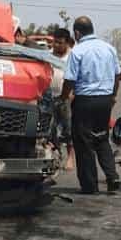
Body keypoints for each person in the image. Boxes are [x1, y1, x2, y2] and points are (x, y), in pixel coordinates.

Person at [60, 16, 121, 194]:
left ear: (77, 33)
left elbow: (70, 79)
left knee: (84, 143)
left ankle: (90, 185)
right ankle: (112, 176)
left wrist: (64, 97)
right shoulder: (109, 48)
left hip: (85, 101)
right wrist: (113, 95)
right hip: (105, 100)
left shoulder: (78, 51)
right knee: (102, 138)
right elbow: (118, 75)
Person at [49, 28, 75, 171]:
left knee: (69, 129)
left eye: (60, 43)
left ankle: (71, 156)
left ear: (67, 43)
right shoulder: (48, 55)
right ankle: (57, 154)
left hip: (67, 98)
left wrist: (73, 94)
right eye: (55, 42)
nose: (56, 45)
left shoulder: (73, 56)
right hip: (50, 97)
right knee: (50, 128)